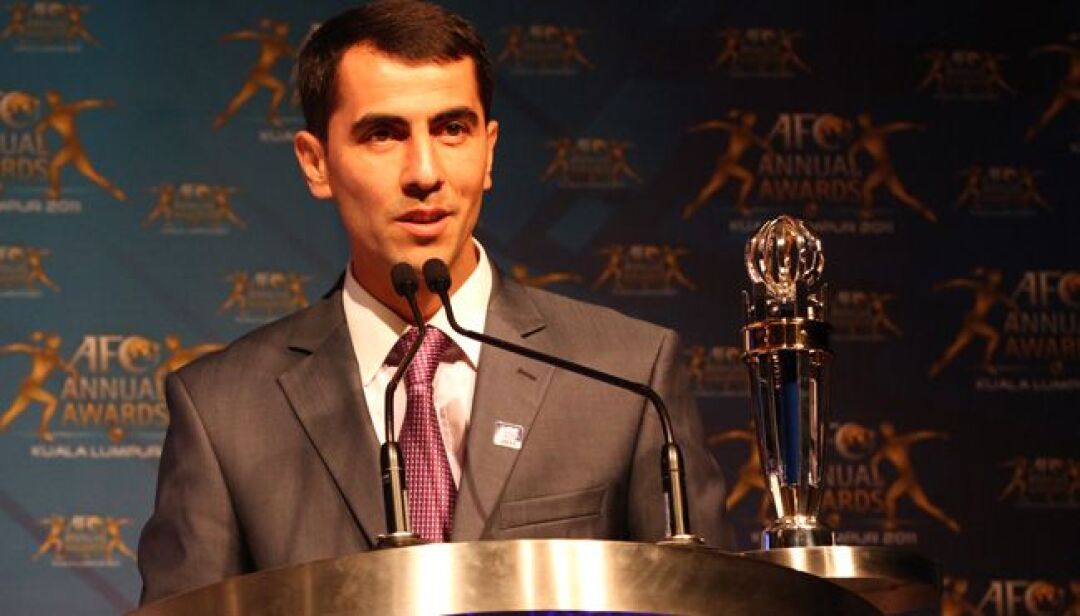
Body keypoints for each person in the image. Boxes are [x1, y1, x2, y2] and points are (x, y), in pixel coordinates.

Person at [137, 0, 728, 604]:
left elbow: (710, 603)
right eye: (383, 134)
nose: (424, 172)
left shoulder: (629, 377)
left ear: (489, 151)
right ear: (316, 163)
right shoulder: (223, 411)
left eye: (451, 130)